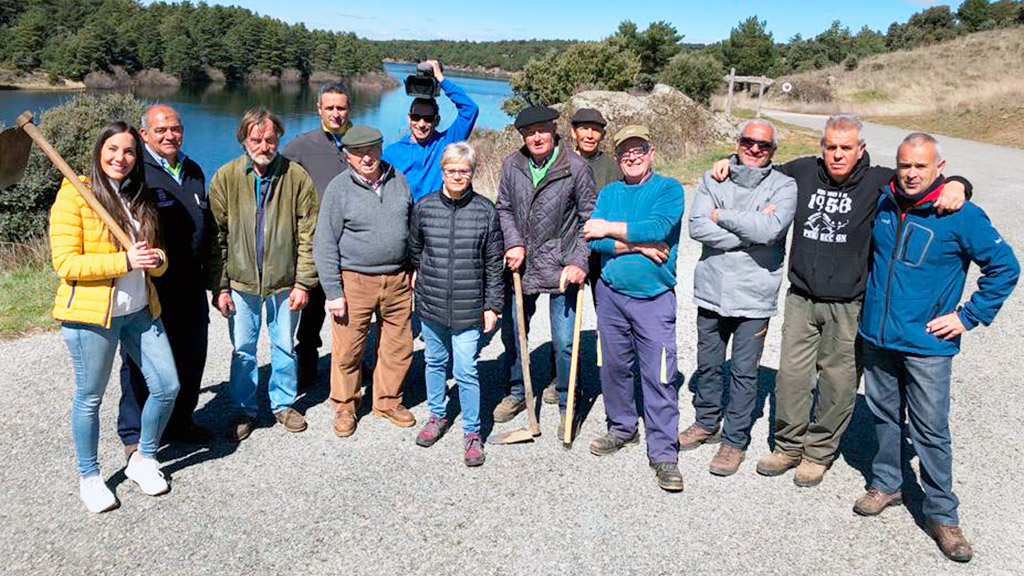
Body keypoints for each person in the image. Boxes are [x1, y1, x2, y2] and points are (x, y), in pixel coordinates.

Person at [711, 114, 971, 487]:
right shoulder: (801, 172)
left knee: (838, 382)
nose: (837, 154)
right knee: (793, 377)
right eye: (830, 146)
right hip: (801, 297)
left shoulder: (880, 180)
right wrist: (728, 159)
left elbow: (925, 182)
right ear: (822, 147)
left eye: (845, 148)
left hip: (849, 304)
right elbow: (757, 166)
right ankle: (787, 446)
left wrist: (960, 183)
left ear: (860, 149)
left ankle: (818, 453)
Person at [854, 133, 1018, 563]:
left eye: (920, 167)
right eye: (905, 165)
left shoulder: (960, 214)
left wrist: (966, 316)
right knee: (885, 416)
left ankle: (943, 514)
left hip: (927, 344)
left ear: (939, 168)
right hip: (878, 337)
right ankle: (887, 483)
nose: (910, 174)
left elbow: (1005, 267)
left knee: (930, 428)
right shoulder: (886, 203)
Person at [50, 122, 180, 512]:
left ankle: (142, 458)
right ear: (99, 150)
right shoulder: (77, 194)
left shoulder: (137, 197)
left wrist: (156, 260)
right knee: (90, 398)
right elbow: (66, 263)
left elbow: (155, 256)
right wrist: (124, 259)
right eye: (112, 149)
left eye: (127, 151)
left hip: (140, 310)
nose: (119, 158)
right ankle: (89, 477)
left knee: (167, 386)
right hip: (93, 315)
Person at [682, 119, 797, 477]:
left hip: (754, 296)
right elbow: (697, 226)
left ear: (773, 150)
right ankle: (705, 422)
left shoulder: (785, 185)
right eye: (748, 141)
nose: (755, 149)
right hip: (712, 290)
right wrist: (751, 232)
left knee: (745, 374)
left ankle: (734, 440)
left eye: (763, 145)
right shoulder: (713, 177)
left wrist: (723, 217)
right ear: (737, 142)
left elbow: (772, 229)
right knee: (709, 365)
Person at [583, 125, 685, 492]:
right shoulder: (610, 192)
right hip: (610, 295)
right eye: (625, 150)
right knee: (614, 367)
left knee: (659, 375)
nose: (632, 156)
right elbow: (593, 243)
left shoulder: (668, 189)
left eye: (638, 149)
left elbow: (657, 226)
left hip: (654, 299)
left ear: (651, 151)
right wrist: (639, 246)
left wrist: (609, 228)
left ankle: (664, 454)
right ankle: (621, 428)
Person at [208, 107, 318, 442]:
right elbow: (217, 238)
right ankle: (244, 409)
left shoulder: (296, 177)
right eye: (256, 139)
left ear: (278, 138)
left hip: (285, 284)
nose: (264, 145)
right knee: (243, 348)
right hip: (241, 284)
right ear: (243, 140)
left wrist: (303, 282)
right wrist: (220, 286)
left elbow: (308, 234)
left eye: (270, 138)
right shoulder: (225, 177)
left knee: (284, 345)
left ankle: (283, 403)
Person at [117, 104, 213, 457]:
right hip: (150, 286)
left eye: (175, 129)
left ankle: (180, 421)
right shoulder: (134, 173)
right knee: (140, 361)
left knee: (191, 355)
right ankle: (133, 433)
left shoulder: (193, 170)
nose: (169, 135)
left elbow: (209, 228)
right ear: (144, 135)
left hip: (191, 283)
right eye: (160, 130)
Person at [494, 105, 595, 433]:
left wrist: (580, 261)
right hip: (521, 265)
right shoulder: (512, 164)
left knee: (564, 341)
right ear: (522, 135)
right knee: (513, 332)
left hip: (562, 265)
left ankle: (567, 400)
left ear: (554, 130)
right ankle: (517, 391)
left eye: (542, 130)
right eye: (529, 132)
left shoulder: (576, 167)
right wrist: (512, 242)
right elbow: (504, 208)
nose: (536, 137)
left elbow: (588, 219)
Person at [313, 126, 416, 437]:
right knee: (348, 349)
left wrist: (414, 265)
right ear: (347, 156)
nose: (367, 157)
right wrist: (333, 291)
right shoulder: (338, 189)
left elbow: (411, 227)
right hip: (354, 280)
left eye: (372, 150)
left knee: (398, 346)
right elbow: (325, 242)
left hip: (397, 278)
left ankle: (387, 400)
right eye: (358, 153)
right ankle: (345, 405)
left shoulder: (398, 180)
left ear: (381, 149)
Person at [408, 142, 504, 466]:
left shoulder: (485, 211)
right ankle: (437, 415)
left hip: (469, 306)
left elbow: (494, 264)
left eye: (464, 171)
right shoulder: (424, 208)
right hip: (432, 303)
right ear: (443, 171)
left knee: (465, 368)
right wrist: (419, 277)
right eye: (452, 170)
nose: (457, 176)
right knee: (434, 362)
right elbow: (415, 249)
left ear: (472, 173)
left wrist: (493, 306)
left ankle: (472, 431)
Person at [540, 107, 622, 405]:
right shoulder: (559, 161)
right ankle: (562, 377)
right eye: (584, 128)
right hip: (567, 255)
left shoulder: (612, 168)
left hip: (601, 256)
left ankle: (611, 379)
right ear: (573, 131)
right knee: (564, 328)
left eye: (596, 129)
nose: (589, 134)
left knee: (610, 321)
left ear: (602, 134)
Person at [284, 82, 352, 388]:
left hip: (351, 243)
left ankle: (347, 367)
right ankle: (306, 362)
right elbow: (277, 179)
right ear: (319, 109)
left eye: (341, 108)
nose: (336, 114)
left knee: (348, 308)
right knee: (311, 310)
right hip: (314, 243)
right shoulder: (302, 144)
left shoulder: (359, 141)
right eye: (330, 108)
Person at [382, 59, 479, 204]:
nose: (421, 124)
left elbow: (470, 109)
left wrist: (441, 79)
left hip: (436, 218)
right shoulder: (392, 153)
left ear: (436, 121)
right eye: (416, 117)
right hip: (405, 220)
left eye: (428, 119)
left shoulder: (446, 143)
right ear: (409, 119)